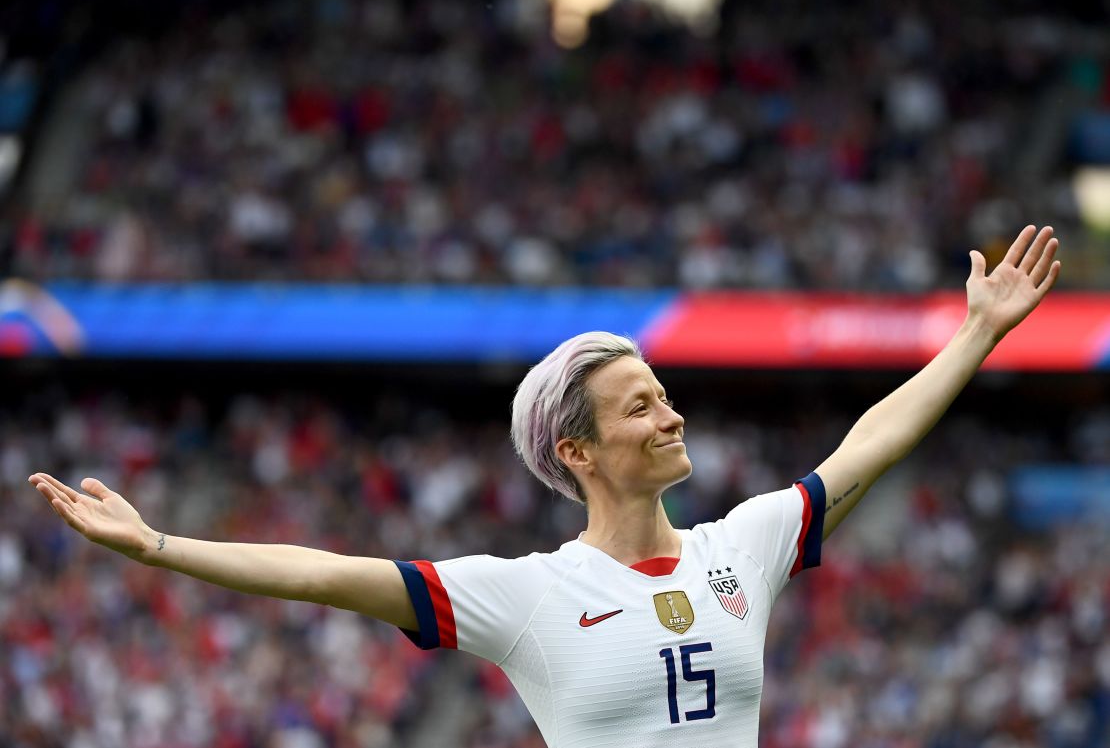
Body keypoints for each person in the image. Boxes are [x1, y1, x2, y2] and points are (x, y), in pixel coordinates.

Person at [29, 225, 1061, 747]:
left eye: (666, 395)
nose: (673, 416)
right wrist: (162, 547)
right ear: (579, 451)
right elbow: (320, 574)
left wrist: (975, 333)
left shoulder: (739, 546)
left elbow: (871, 442)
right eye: (643, 408)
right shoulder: (522, 597)